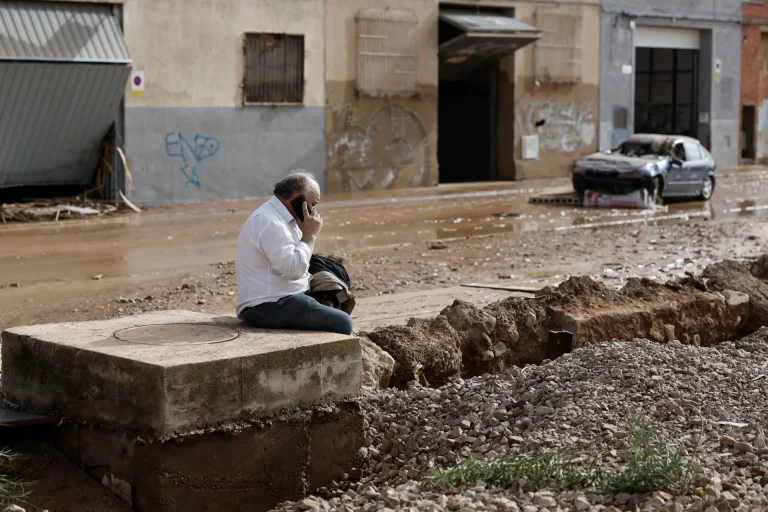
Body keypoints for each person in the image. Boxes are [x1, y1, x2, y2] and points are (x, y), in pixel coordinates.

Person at [235, 171, 354, 335]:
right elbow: (293, 270)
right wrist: (310, 235)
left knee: (337, 294)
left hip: (282, 297)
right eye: (313, 204)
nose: (314, 211)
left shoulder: (285, 218)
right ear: (297, 198)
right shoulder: (271, 222)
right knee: (343, 323)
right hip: (267, 305)